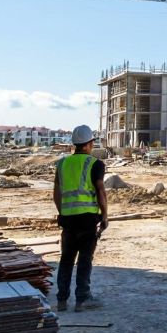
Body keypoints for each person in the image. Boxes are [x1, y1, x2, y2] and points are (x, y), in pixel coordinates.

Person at [53, 125, 108, 313]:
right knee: (85, 259)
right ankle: (82, 298)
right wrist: (105, 217)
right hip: (87, 219)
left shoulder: (61, 164)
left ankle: (61, 300)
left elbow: (56, 193)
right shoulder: (95, 164)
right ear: (89, 144)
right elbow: (101, 191)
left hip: (68, 220)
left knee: (66, 259)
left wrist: (63, 212)